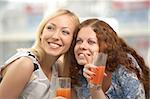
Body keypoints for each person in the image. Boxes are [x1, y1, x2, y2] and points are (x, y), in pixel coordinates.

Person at [0, 9, 80, 99]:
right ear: (41, 33)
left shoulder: (59, 68)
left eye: (65, 32)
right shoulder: (26, 64)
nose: (55, 36)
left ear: (73, 41)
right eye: (50, 28)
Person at [63, 18, 149, 99]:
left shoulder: (124, 65)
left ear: (106, 47)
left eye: (91, 42)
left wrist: (94, 85)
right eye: (79, 41)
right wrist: (93, 84)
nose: (82, 46)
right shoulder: (79, 76)